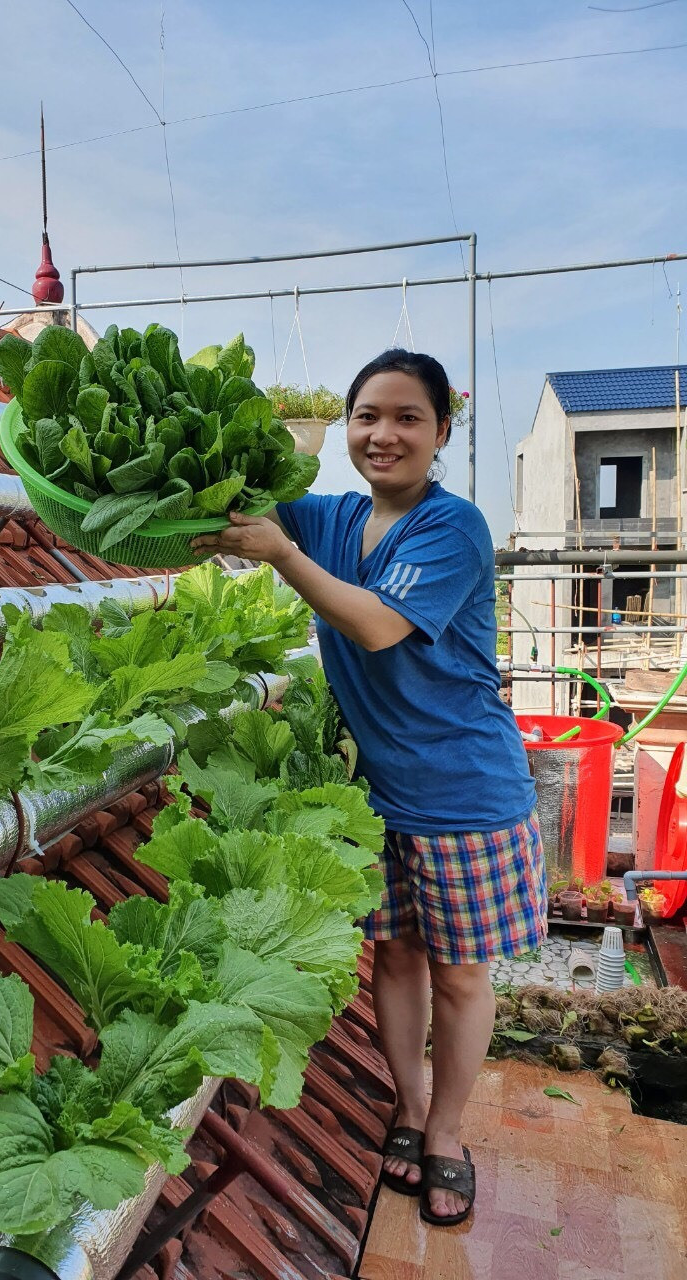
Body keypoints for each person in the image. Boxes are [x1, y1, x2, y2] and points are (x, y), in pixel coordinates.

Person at [192, 348, 545, 1227]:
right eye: (366, 417)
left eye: (406, 418)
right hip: (376, 793)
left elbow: (379, 625)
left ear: (440, 433)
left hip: (466, 794)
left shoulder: (451, 528)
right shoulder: (333, 516)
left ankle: (449, 1134)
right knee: (391, 957)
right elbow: (242, 505)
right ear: (344, 429)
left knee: (461, 979)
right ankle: (409, 1104)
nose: (383, 434)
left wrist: (277, 554)